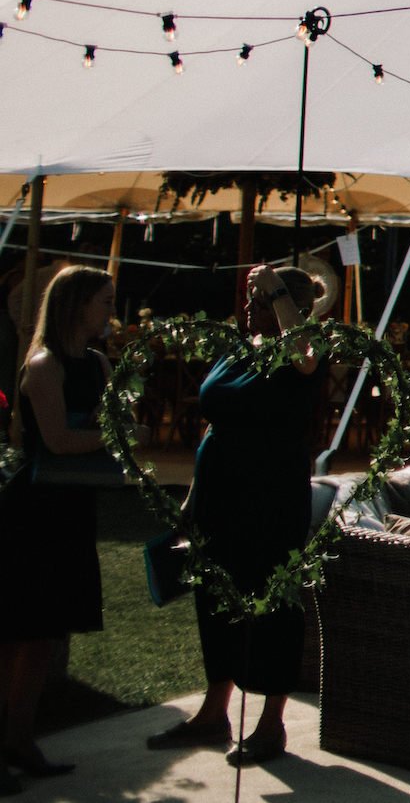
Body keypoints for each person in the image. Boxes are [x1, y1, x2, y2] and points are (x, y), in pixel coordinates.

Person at [148, 263, 334, 766]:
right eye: (252, 298)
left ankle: (271, 723)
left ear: (286, 307)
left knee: (271, 602)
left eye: (261, 300)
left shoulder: (302, 353)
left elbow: (305, 360)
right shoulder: (239, 348)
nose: (249, 307)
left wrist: (276, 290)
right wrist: (192, 493)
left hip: (270, 496)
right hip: (219, 495)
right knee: (215, 597)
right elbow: (215, 423)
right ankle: (214, 712)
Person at [0, 266, 115, 780]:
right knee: (14, 631)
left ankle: (21, 740)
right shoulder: (44, 365)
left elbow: (104, 421)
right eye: (105, 301)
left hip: (71, 507)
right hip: (33, 511)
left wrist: (114, 430)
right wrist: (116, 437)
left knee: (43, 634)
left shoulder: (97, 363)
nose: (112, 311)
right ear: (76, 305)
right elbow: (58, 441)